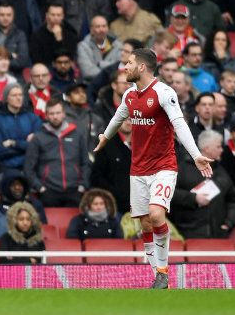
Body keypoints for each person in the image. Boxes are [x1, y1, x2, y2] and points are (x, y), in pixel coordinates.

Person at [94, 48, 213, 289]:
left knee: (157, 215)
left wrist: (196, 154)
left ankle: (162, 270)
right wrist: (104, 138)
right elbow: (118, 119)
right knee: (145, 224)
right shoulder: (129, 95)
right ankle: (159, 275)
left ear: (141, 67)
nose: (125, 67)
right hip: (137, 170)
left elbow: (179, 124)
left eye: (128, 63)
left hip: (163, 167)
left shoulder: (163, 93)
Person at [170, 131, 235, 239]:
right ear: (207, 148)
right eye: (218, 146)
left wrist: (228, 223)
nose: (222, 150)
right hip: (188, 233)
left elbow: (233, 200)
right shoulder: (183, 168)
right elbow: (169, 193)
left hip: (218, 235)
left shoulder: (222, 171)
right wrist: (193, 198)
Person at [24, 97, 91, 207]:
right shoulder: (38, 138)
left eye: (58, 113)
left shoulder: (77, 135)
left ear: (64, 114)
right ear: (46, 115)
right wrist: (39, 187)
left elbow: (85, 162)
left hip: (75, 191)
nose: (55, 116)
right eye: (51, 113)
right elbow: (28, 168)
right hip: (48, 192)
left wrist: (83, 185)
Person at [0, 83, 42, 173]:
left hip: (31, 168)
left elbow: (37, 147)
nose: (18, 98)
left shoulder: (33, 118)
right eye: (14, 95)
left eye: (20, 95)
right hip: (7, 168)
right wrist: (25, 146)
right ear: (6, 98)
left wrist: (13, 143)